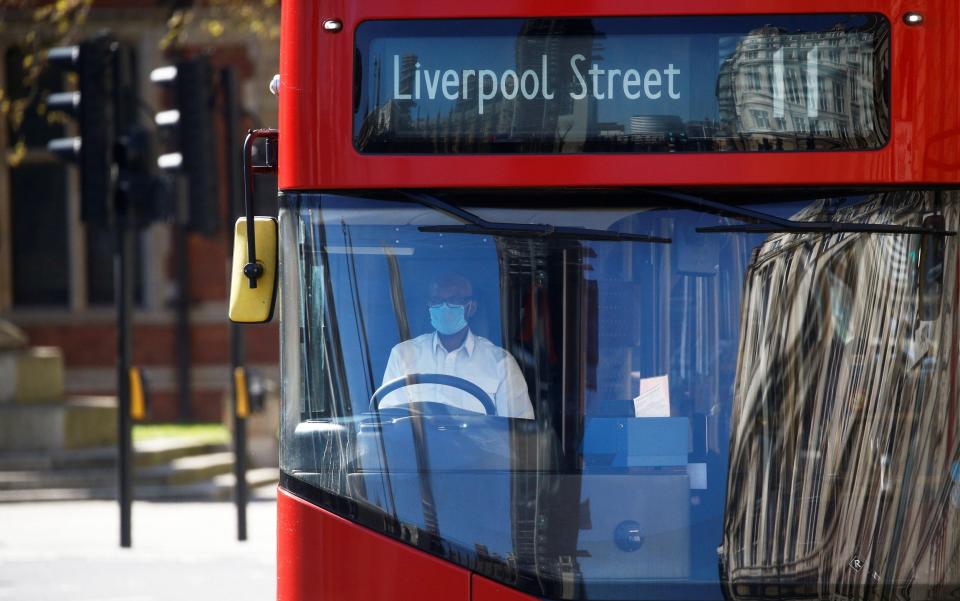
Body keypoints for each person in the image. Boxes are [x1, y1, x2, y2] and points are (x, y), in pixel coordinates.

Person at [380, 273, 534, 419]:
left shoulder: (500, 362)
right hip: (418, 447)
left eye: (454, 300)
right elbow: (388, 422)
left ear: (471, 307)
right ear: (429, 306)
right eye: (437, 301)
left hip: (478, 448)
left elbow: (518, 429)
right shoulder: (403, 354)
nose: (444, 307)